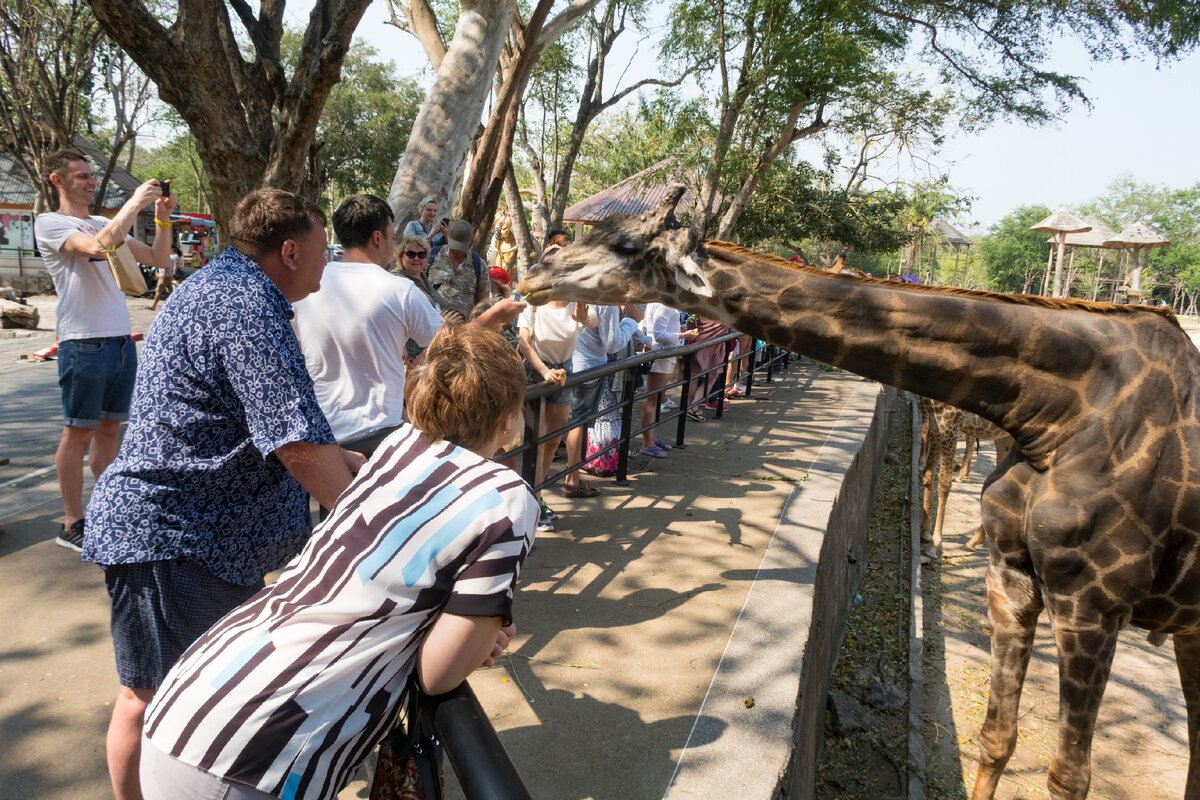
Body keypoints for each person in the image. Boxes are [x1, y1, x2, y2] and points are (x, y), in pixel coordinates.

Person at [138, 325, 537, 800]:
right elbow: (439, 673)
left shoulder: (398, 447)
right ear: (510, 418)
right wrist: (478, 631)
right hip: (256, 751)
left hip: (196, 693)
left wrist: (470, 628)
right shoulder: (505, 499)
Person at [83, 188, 368, 800]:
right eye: (323, 251)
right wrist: (368, 520)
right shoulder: (244, 306)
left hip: (204, 540)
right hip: (172, 537)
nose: (328, 263)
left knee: (182, 695)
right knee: (152, 700)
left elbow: (262, 424)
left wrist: (334, 458)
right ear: (290, 251)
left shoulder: (228, 289)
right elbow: (295, 444)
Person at [293, 195, 524, 457]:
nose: (393, 245)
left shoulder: (306, 287)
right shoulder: (399, 290)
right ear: (378, 238)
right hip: (379, 433)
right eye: (392, 237)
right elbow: (451, 342)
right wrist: (492, 317)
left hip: (323, 437)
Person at [33, 148, 175, 552]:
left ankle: (108, 507)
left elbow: (159, 258)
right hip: (83, 341)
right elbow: (97, 247)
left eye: (90, 176)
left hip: (119, 339)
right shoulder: (50, 223)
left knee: (110, 429)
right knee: (78, 431)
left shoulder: (101, 221)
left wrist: (163, 216)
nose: (89, 182)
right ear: (56, 180)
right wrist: (133, 203)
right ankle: (72, 520)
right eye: (80, 176)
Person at [517, 285, 590, 531]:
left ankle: (536, 496)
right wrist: (543, 371)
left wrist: (585, 319)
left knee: (551, 441)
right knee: (535, 441)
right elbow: (524, 342)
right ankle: (532, 501)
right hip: (536, 370)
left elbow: (594, 323)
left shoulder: (577, 301)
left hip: (564, 370)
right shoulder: (533, 303)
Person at [561, 303, 642, 497]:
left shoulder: (573, 289)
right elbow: (612, 343)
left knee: (564, 423)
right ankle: (571, 479)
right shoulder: (606, 300)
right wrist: (631, 321)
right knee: (577, 423)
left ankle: (568, 475)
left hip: (564, 364)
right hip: (589, 367)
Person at [639, 302, 699, 458]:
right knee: (652, 399)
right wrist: (683, 335)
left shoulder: (660, 304)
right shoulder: (664, 305)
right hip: (661, 355)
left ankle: (651, 438)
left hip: (663, 354)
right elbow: (659, 334)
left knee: (654, 399)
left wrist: (679, 331)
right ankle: (647, 443)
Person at [428, 219, 490, 321]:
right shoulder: (433, 255)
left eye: (461, 249)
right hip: (431, 324)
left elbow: (484, 301)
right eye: (454, 247)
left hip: (462, 329)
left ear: (469, 243)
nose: (456, 252)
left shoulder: (479, 265)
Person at [147, 245, 181, 311]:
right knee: (170, 291)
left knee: (158, 290)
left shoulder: (166, 257)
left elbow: (166, 267)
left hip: (164, 276)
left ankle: (153, 306)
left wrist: (162, 277)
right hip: (168, 276)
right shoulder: (168, 256)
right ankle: (177, 305)